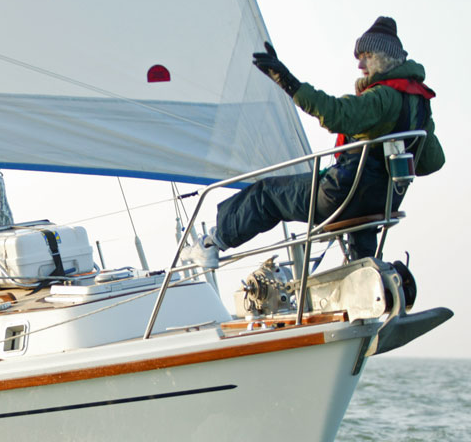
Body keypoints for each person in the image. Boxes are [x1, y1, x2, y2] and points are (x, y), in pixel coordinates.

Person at [183, 16, 444, 268]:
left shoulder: (382, 98)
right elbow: (432, 162)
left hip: (341, 196)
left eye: (365, 57)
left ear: (383, 58)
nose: (360, 66)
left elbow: (335, 113)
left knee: (266, 194)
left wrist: (288, 82)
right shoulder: (420, 104)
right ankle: (366, 275)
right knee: (361, 210)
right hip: (381, 201)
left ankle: (212, 243)